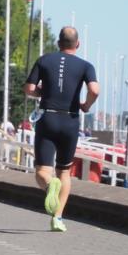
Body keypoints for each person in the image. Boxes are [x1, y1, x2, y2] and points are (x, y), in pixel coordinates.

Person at [23, 26, 99, 232]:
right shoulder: (86, 66)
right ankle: (58, 218)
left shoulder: (44, 60)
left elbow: (29, 88)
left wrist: (44, 92)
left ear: (58, 43)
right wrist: (86, 105)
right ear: (78, 44)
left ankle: (49, 185)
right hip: (70, 121)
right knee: (64, 172)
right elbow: (94, 90)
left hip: (47, 118)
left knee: (42, 172)